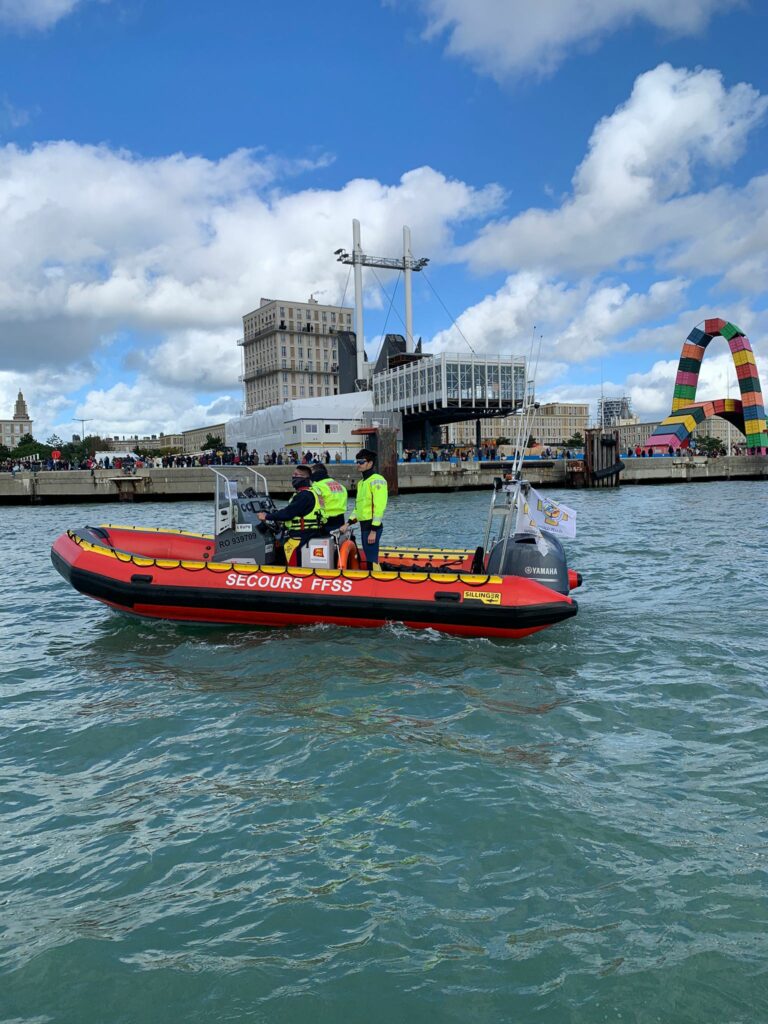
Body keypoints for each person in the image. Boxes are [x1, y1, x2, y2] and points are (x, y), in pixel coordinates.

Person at [257, 465, 326, 564]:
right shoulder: (312, 493)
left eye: (296, 475)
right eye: (293, 475)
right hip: (311, 532)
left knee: (292, 557)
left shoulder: (304, 495)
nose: (293, 477)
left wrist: (267, 516)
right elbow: (294, 512)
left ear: (305, 478)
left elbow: (288, 513)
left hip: (302, 535)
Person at [340, 448, 388, 568]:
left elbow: (379, 507)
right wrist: (348, 523)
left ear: (370, 463)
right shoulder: (361, 483)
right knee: (369, 556)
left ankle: (376, 577)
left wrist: (373, 531)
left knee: (372, 558)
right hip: (364, 526)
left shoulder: (377, 480)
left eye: (361, 461)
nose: (358, 464)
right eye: (357, 461)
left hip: (372, 527)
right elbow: (359, 508)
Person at [310, 462, 348, 530]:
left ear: (316, 473)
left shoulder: (317, 486)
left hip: (325, 521)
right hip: (341, 521)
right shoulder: (340, 486)